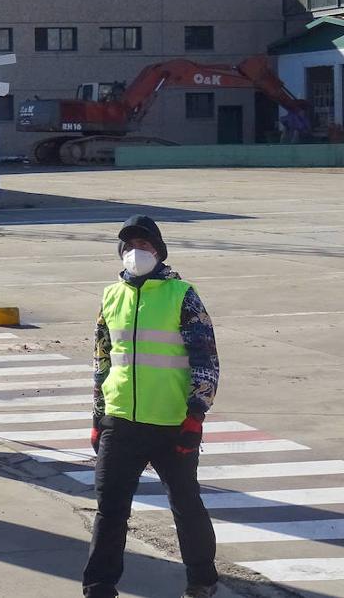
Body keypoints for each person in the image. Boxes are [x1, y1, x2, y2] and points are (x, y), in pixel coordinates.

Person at [83, 215, 221, 598]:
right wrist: (98, 415)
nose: (136, 252)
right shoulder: (111, 296)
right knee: (109, 510)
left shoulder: (182, 295)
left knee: (186, 504)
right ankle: (98, 587)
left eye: (144, 245)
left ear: (159, 251)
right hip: (120, 422)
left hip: (172, 422)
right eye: (129, 246)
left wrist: (196, 415)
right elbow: (102, 360)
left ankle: (202, 581)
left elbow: (205, 360)